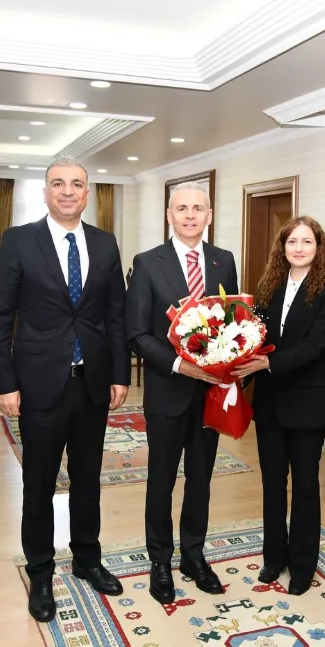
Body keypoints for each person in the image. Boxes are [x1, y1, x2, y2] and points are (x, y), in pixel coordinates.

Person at [0, 157, 130, 623]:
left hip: (91, 384)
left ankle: (87, 558)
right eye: (59, 183)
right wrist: (5, 381)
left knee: (88, 480)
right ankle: (41, 573)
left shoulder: (105, 243)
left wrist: (120, 373)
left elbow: (116, 314)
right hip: (38, 386)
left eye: (77, 184)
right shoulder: (18, 241)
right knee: (39, 486)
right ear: (45, 192)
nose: (68, 191)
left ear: (88, 194)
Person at [125, 182, 238, 604]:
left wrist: (228, 364)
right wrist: (179, 364)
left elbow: (233, 322)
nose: (190, 215)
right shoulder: (147, 262)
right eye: (182, 208)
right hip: (167, 390)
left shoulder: (224, 260)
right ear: (169, 215)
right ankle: (160, 560)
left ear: (209, 214)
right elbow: (137, 332)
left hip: (210, 394)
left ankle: (194, 555)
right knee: (161, 480)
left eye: (198, 208)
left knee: (201, 479)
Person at [231, 216, 325, 595]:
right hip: (270, 403)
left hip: (307, 402)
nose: (298, 248)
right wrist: (235, 367)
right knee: (272, 484)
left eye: (306, 242)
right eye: (292, 241)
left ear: (319, 247)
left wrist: (268, 363)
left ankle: (302, 566)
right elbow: (255, 337)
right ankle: (273, 557)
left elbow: (316, 345)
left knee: (306, 486)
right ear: (282, 247)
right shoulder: (269, 285)